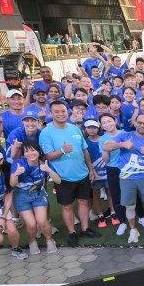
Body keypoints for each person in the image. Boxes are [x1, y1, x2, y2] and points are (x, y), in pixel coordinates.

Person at [38, 100, 100, 246]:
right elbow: (48, 156)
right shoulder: (46, 132)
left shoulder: (75, 129)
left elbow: (84, 150)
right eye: (56, 112)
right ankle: (72, 232)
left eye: (63, 111)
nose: (60, 114)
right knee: (67, 206)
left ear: (68, 111)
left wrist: (90, 169)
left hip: (82, 173)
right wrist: (62, 151)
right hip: (63, 177)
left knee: (84, 202)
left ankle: (85, 229)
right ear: (51, 114)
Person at [101, 113, 144, 243]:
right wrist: (122, 145)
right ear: (135, 123)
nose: (142, 125)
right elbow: (105, 146)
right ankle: (133, 230)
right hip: (126, 177)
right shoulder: (125, 136)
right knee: (130, 206)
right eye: (140, 122)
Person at [9, 140, 61, 254]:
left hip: (38, 193)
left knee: (42, 221)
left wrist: (49, 170)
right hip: (21, 196)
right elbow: (12, 184)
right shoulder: (17, 164)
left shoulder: (44, 164)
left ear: (38, 151)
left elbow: (58, 181)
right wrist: (15, 174)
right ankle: (32, 242)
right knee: (31, 224)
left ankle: (49, 240)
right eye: (26, 151)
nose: (30, 153)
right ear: (23, 154)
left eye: (33, 150)